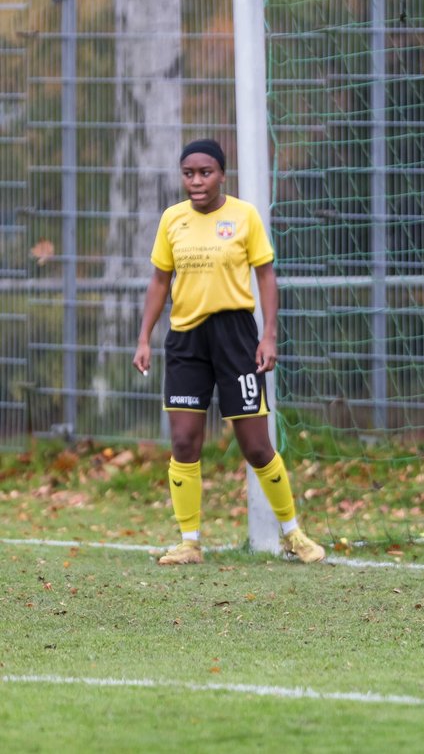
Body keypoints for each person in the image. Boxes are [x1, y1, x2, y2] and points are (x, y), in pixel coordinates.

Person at [133, 139, 325, 566]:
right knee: (183, 440)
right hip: (186, 339)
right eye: (189, 173)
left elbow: (266, 276)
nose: (196, 181)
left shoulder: (244, 216)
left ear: (222, 174)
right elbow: (160, 281)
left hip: (236, 336)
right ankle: (189, 542)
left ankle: (293, 534)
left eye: (206, 172)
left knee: (256, 445)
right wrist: (144, 337)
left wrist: (269, 334)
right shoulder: (172, 220)